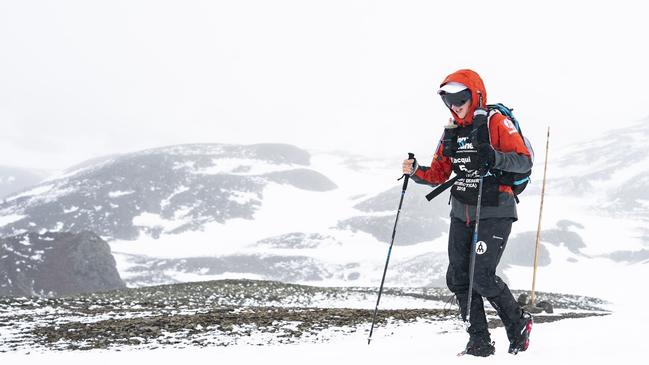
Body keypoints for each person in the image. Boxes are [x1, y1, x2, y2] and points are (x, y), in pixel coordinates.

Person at [402, 69, 533, 357]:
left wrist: (494, 157)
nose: (454, 105)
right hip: (462, 210)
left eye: (460, 97)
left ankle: (518, 324)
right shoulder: (452, 130)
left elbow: (523, 162)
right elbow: (439, 172)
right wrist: (415, 172)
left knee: (483, 277)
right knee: (459, 277)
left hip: (496, 207)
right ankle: (479, 342)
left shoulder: (495, 121)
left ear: (475, 95)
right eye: (447, 99)